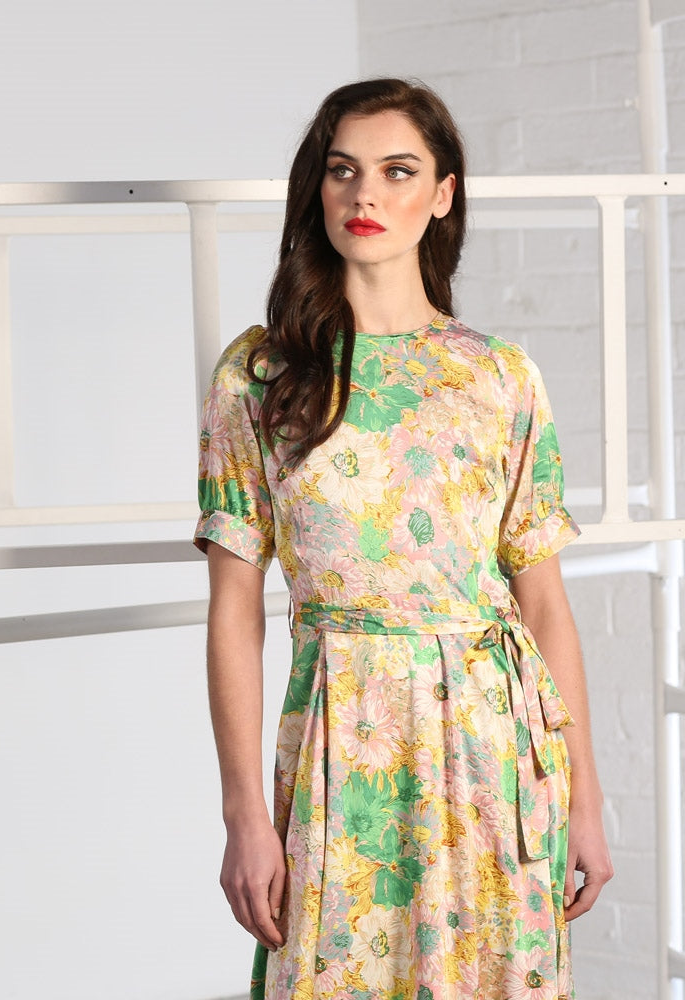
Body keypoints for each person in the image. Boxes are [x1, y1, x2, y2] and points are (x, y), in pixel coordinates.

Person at [194, 78, 613, 1000]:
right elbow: (234, 609)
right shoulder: (260, 374)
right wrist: (243, 814)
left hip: (495, 753)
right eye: (342, 170)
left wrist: (584, 796)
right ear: (318, 188)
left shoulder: (499, 376)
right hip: (343, 746)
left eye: (397, 171)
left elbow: (544, 603)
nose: (365, 194)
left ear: (443, 194)